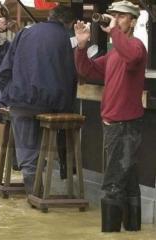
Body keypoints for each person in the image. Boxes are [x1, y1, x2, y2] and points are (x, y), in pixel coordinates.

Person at [74, 0, 146, 232]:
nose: (115, 19)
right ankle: (133, 231)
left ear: (132, 22)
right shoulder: (115, 52)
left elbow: (132, 58)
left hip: (125, 125)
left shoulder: (136, 47)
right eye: (113, 15)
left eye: (121, 16)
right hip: (116, 124)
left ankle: (110, 234)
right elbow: (87, 70)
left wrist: (114, 31)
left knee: (112, 183)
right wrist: (82, 46)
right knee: (128, 182)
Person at [0, 5, 77, 194]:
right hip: (49, 104)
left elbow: (4, 70)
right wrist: (66, 109)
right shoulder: (64, 39)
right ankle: (38, 196)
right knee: (40, 145)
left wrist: (9, 93)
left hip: (20, 100)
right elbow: (69, 76)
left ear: (50, 17)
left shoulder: (25, 33)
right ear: (70, 24)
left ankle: (33, 193)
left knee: (27, 152)